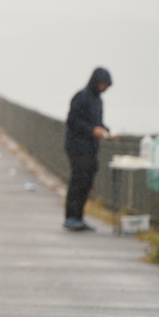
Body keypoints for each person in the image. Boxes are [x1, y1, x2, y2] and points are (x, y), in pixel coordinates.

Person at [63, 67, 113, 232]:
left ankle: (79, 217)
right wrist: (91, 130)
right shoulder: (81, 97)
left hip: (91, 147)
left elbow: (97, 123)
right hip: (76, 146)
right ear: (95, 82)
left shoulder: (98, 101)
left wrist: (107, 131)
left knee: (87, 182)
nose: (104, 88)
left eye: (106, 85)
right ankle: (70, 217)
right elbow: (72, 120)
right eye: (102, 84)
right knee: (78, 181)